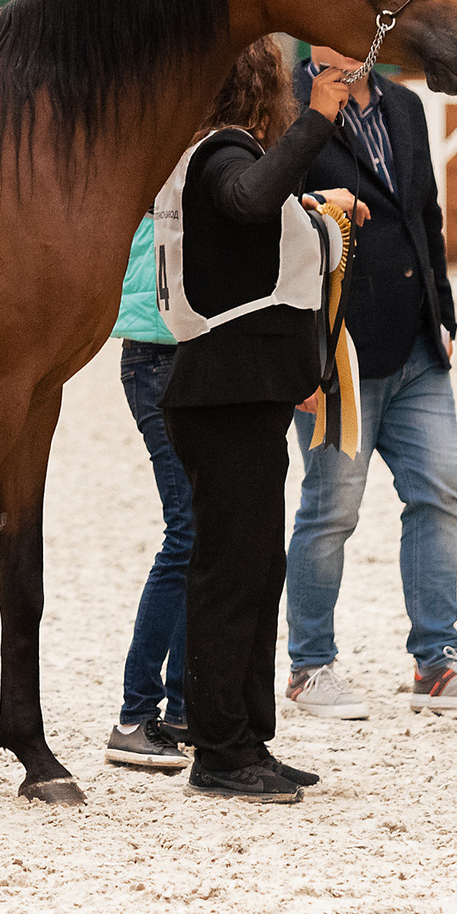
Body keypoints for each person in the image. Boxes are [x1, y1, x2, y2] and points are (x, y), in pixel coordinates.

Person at [280, 43, 457, 722]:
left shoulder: (406, 105)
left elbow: (424, 217)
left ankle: (436, 662)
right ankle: (310, 666)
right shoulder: (286, 109)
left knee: (439, 492)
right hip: (336, 353)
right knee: (332, 510)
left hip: (418, 346)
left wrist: (443, 312)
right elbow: (267, 208)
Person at [157, 39, 364, 803]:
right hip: (224, 394)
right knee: (231, 572)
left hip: (244, 391)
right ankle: (218, 749)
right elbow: (248, 201)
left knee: (254, 567)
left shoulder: (226, 154)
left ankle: (247, 736)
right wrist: (318, 119)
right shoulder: (220, 156)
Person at [102, 213, 192, 773]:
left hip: (169, 352)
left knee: (197, 534)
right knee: (186, 531)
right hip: (159, 352)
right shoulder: (168, 166)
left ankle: (180, 709)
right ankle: (135, 715)